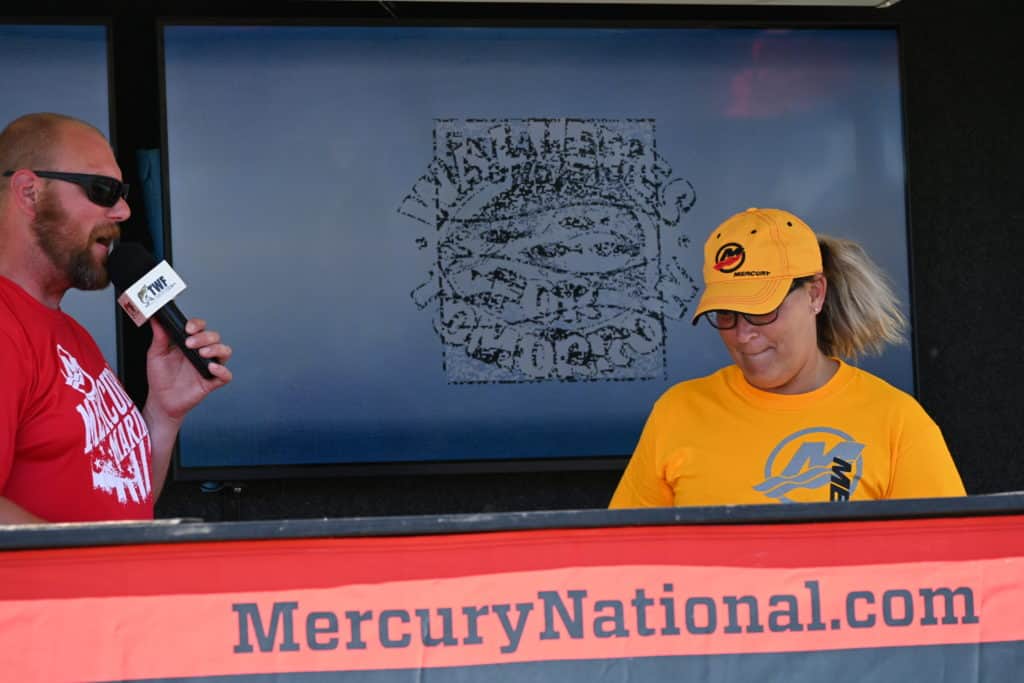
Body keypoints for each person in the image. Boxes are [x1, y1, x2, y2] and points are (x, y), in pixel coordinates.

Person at [609, 207, 964, 508]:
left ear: (815, 295)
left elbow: (945, 559)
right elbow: (623, 555)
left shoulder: (898, 423)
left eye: (762, 310)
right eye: (726, 313)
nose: (742, 334)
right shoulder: (677, 413)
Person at [0, 112, 233, 523]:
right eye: (103, 190)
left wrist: (163, 414)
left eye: (122, 193)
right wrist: (88, 564)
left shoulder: (71, 334)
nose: (123, 211)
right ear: (29, 193)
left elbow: (126, 499)